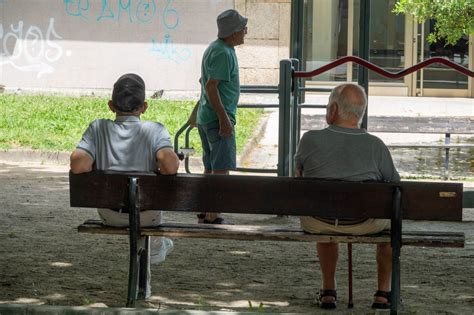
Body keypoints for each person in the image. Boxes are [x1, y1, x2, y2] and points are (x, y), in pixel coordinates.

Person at [70, 73, 180, 296]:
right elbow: (170, 167)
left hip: (110, 213)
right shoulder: (155, 130)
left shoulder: (97, 128)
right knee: (148, 220)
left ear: (111, 105)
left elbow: (78, 165)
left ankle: (152, 258)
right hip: (147, 213)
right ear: (144, 107)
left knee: (141, 220)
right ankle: (157, 249)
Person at [294, 83, 400, 310]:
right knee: (392, 220)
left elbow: (297, 175)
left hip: (318, 221)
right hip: (364, 223)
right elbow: (396, 185)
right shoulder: (376, 146)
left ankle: (328, 290)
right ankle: (383, 292)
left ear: (332, 109)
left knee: (322, 207)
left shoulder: (310, 139)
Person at [193, 9, 248, 224]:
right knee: (221, 168)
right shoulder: (224, 53)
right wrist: (224, 119)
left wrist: (196, 113)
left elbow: (203, 83)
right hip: (217, 119)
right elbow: (211, 86)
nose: (245, 32)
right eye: (243, 28)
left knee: (209, 166)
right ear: (233, 32)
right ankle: (214, 213)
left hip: (206, 117)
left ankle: (205, 208)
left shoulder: (214, 48)